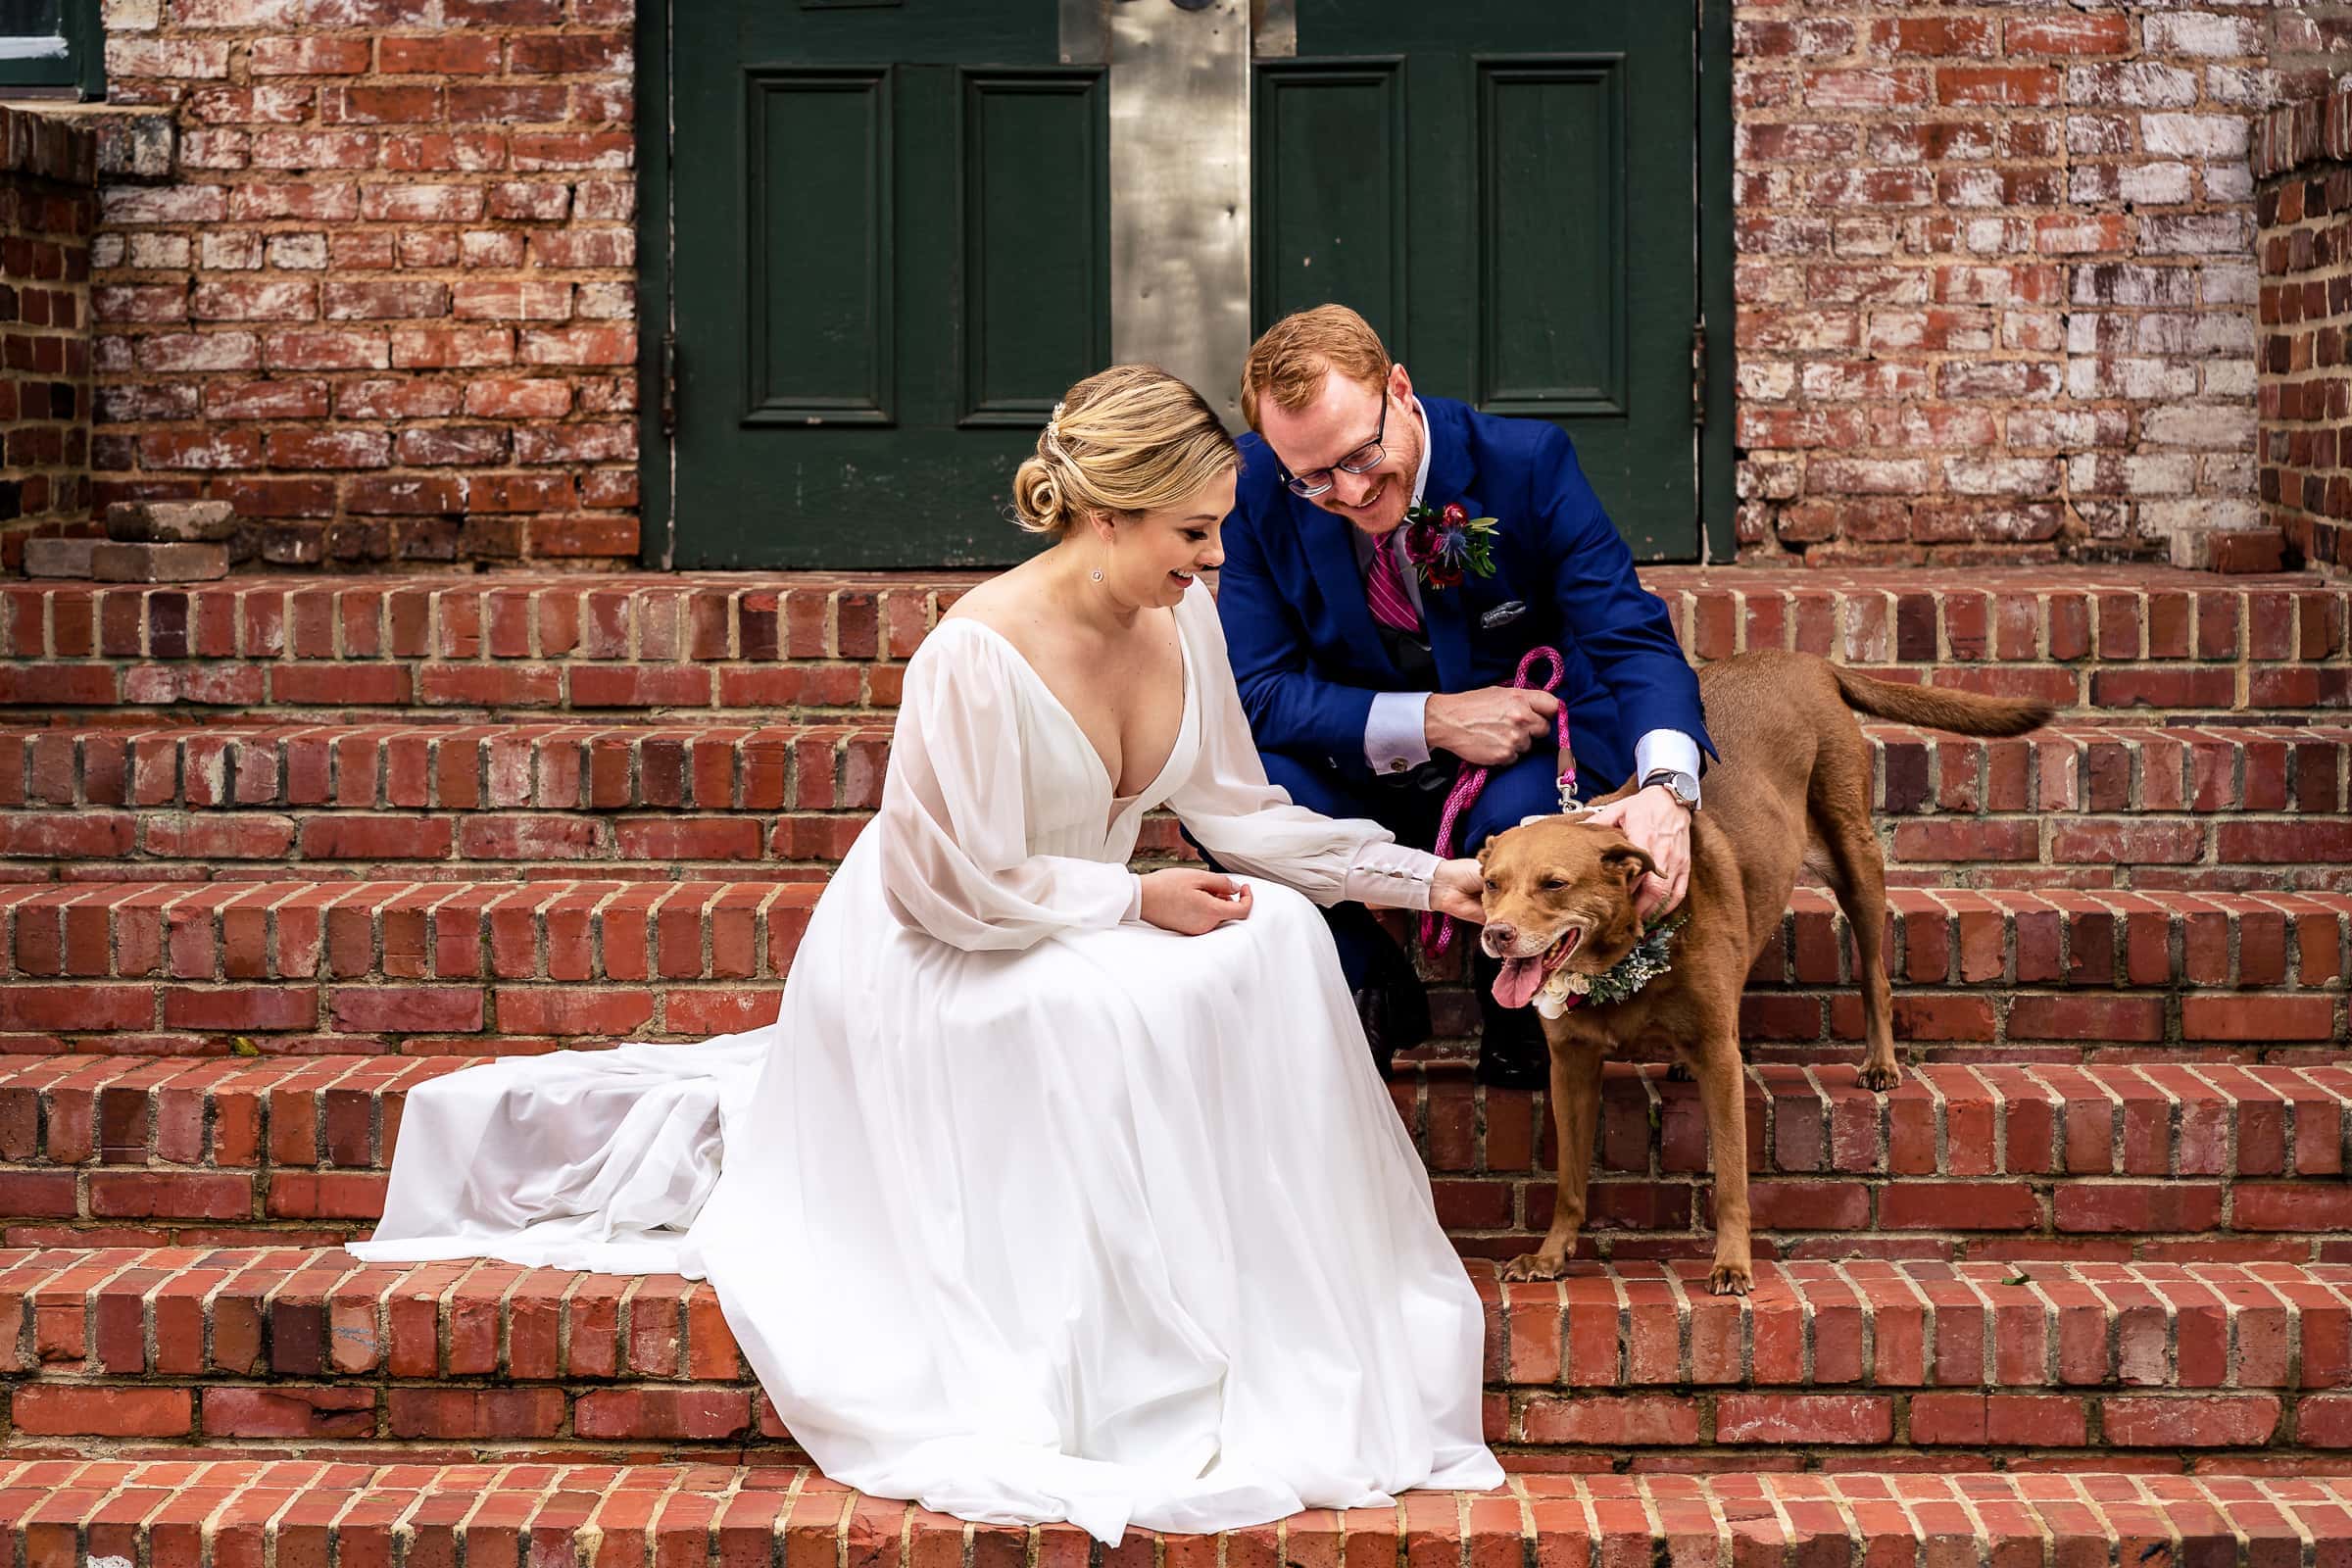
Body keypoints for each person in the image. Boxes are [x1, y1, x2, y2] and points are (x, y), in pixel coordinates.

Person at [350, 365, 1506, 1544]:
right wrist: (1129, 898)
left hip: (1085, 908)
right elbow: (945, 883)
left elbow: (1243, 812)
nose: (1214, 561)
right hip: (939, 941)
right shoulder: (976, 652)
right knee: (1105, 1012)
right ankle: (1117, 1353)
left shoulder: (1182, 617)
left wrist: (1431, 881)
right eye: (1193, 533)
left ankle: (1262, 1313)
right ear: (1108, 513)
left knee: (1279, 954)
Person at [1214, 306, 1714, 1086]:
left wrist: (1666, 790)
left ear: (1401, 390)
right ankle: (1364, 973)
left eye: (1362, 454)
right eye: (1312, 478)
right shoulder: (1254, 490)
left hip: (1513, 777)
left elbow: (1630, 639)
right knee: (1233, 802)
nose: (1348, 490)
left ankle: (1514, 1001)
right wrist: (1433, 721)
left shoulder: (1527, 463)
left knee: (1523, 822)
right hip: (1352, 768)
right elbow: (1255, 691)